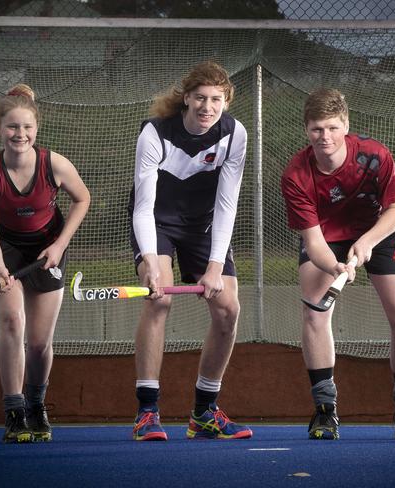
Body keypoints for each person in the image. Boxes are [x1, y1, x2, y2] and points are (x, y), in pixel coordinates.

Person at [280, 88, 395, 441]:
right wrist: (334, 267)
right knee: (315, 313)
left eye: (332, 127)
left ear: (345, 125)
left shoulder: (375, 156)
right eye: (317, 129)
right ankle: (325, 411)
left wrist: (367, 241)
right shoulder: (296, 175)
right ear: (306, 130)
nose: (325, 137)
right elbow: (313, 242)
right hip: (326, 239)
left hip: (379, 230)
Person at [129, 61, 252, 441]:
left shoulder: (235, 135)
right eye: (200, 97)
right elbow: (143, 207)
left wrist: (215, 267)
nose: (207, 107)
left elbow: (227, 204)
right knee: (159, 299)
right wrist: (150, 262)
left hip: (203, 226)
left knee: (229, 308)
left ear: (226, 102)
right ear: (186, 98)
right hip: (158, 223)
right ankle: (147, 412)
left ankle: (204, 413)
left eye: (216, 99)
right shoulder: (155, 133)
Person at [0, 84, 90, 443]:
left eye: (26, 127)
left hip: (47, 248)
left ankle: (37, 406)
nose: (19, 134)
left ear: (36, 128)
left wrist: (59, 245)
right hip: (5, 249)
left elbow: (82, 199)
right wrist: (1, 270)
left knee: (39, 342)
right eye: (11, 127)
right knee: (12, 322)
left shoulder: (54, 163)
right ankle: (13, 412)